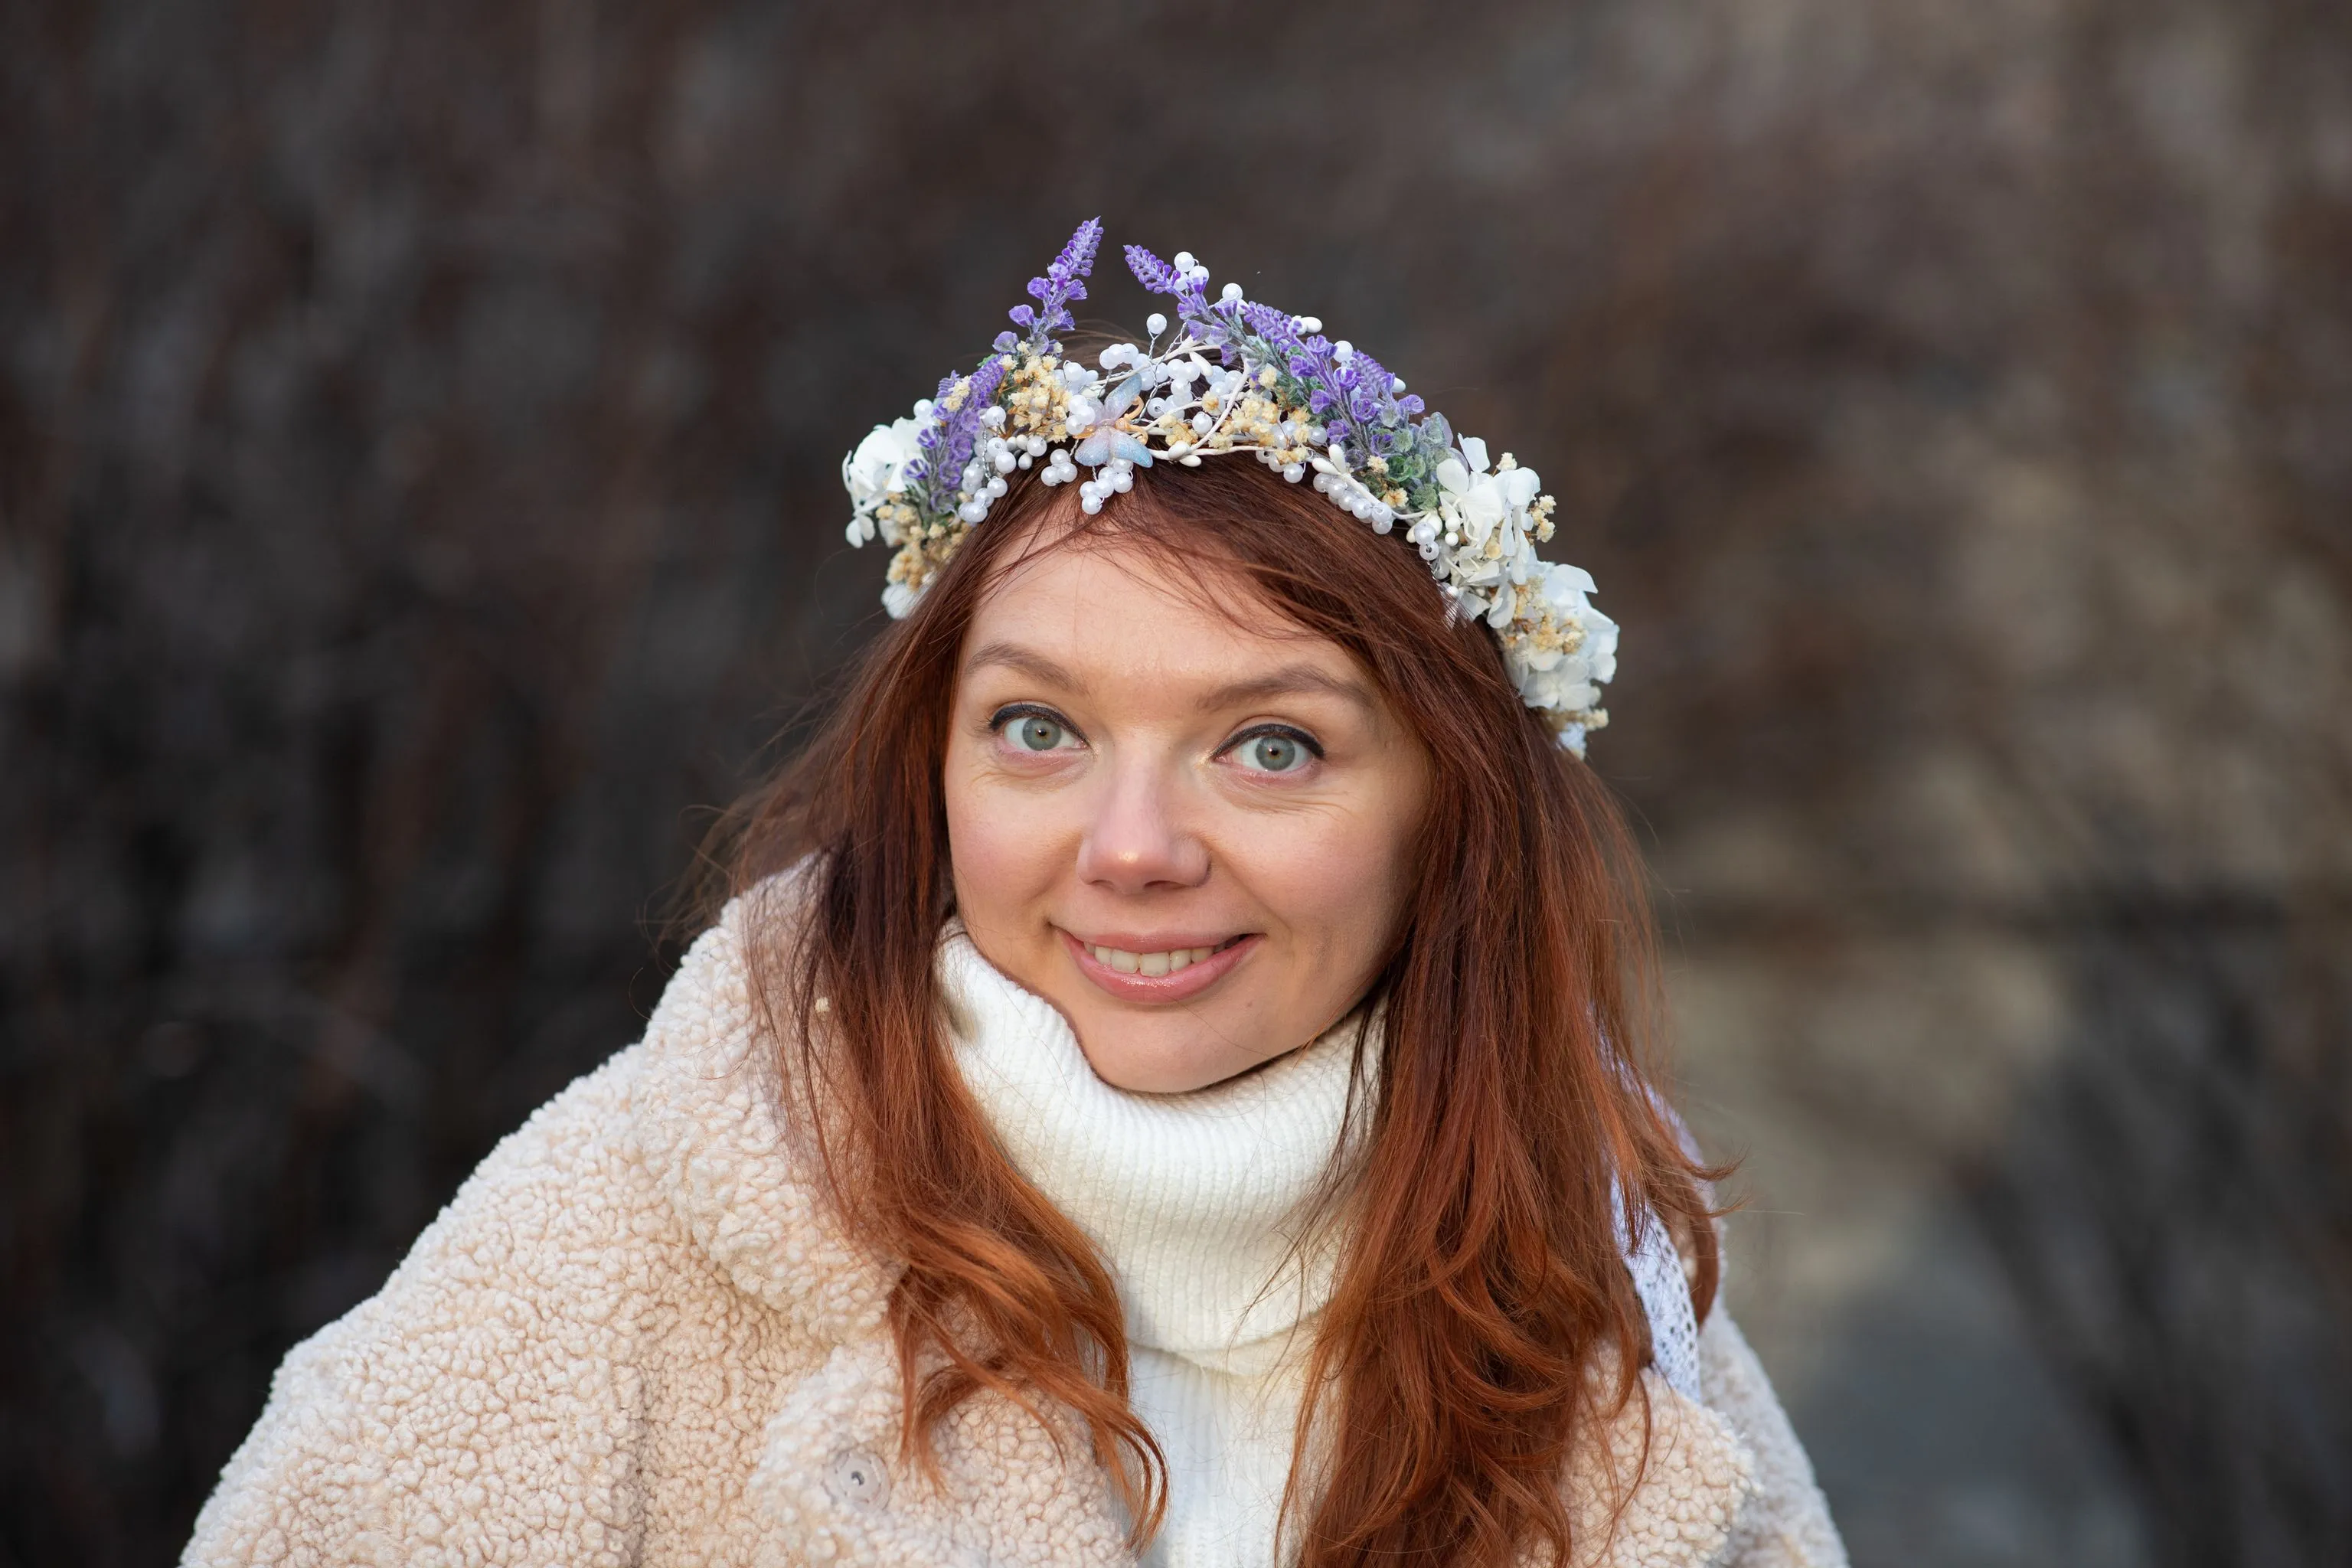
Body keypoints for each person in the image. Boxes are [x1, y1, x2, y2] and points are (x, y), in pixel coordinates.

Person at [184, 222, 1845, 1568]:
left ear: (1449, 819)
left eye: (1269, 746)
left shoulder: (1587, 1285)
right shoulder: (629, 1231)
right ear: (934, 769)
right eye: (1038, 729)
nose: (1131, 845)